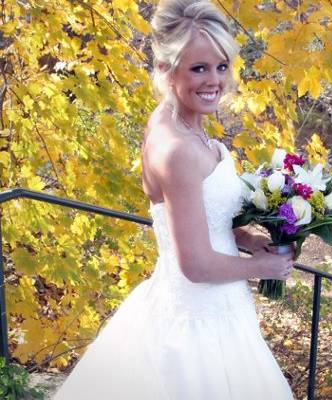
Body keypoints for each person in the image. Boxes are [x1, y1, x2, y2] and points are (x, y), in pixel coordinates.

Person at [54, 0, 295, 398]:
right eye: (198, 68)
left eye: (221, 65)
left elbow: (197, 214)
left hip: (216, 303)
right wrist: (264, 267)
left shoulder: (171, 119)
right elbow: (196, 266)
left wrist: (248, 240)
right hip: (199, 320)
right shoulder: (177, 149)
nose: (214, 80)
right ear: (167, 70)